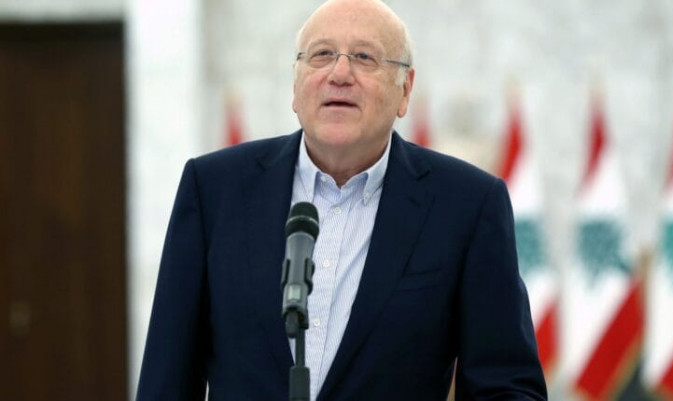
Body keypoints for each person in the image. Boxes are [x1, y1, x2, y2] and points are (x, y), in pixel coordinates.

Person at [136, 0, 547, 400]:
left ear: (405, 90)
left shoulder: (467, 205)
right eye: (321, 55)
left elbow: (507, 386)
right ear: (295, 85)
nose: (340, 73)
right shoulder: (214, 190)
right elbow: (166, 381)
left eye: (365, 57)